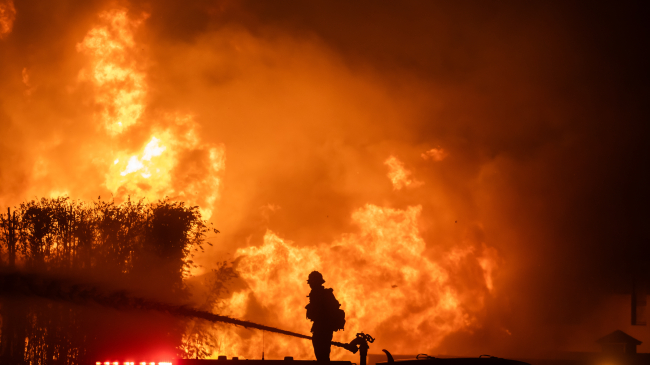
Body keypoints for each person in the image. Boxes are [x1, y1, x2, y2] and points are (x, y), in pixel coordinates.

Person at [305, 271, 345, 361]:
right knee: (321, 355)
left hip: (324, 328)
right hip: (320, 327)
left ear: (316, 282)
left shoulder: (324, 294)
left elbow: (330, 310)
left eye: (311, 282)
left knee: (323, 355)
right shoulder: (316, 294)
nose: (310, 285)